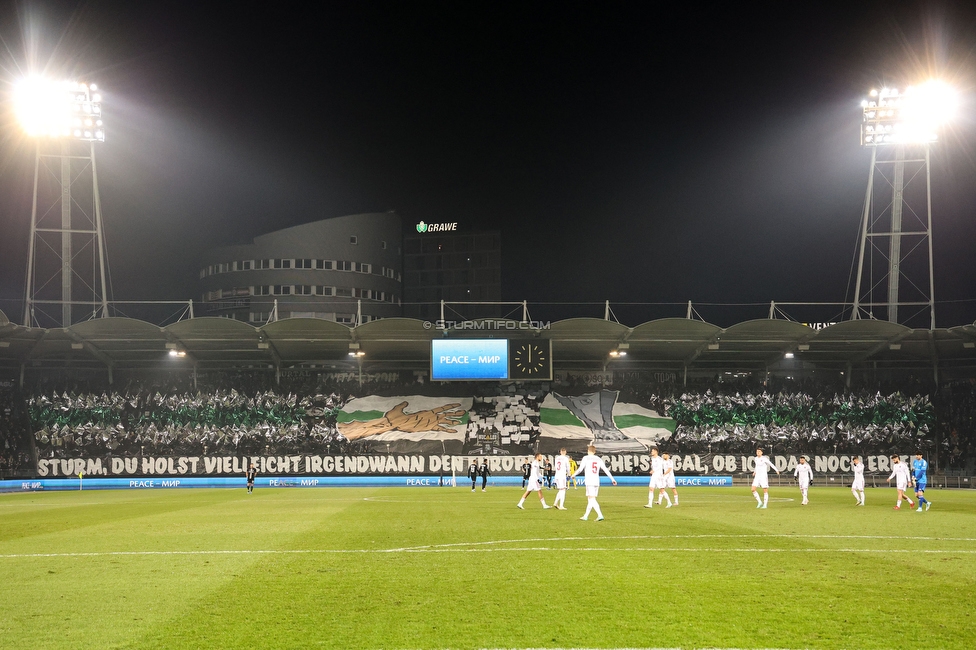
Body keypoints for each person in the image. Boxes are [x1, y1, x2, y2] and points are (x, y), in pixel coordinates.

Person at [573, 444, 617, 521]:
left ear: (588, 451)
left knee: (592, 499)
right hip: (596, 481)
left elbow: (580, 469)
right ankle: (585, 516)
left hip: (589, 481)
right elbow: (605, 470)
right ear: (594, 451)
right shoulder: (598, 459)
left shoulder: (586, 458)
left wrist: (573, 475)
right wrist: (612, 479)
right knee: (590, 499)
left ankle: (600, 515)